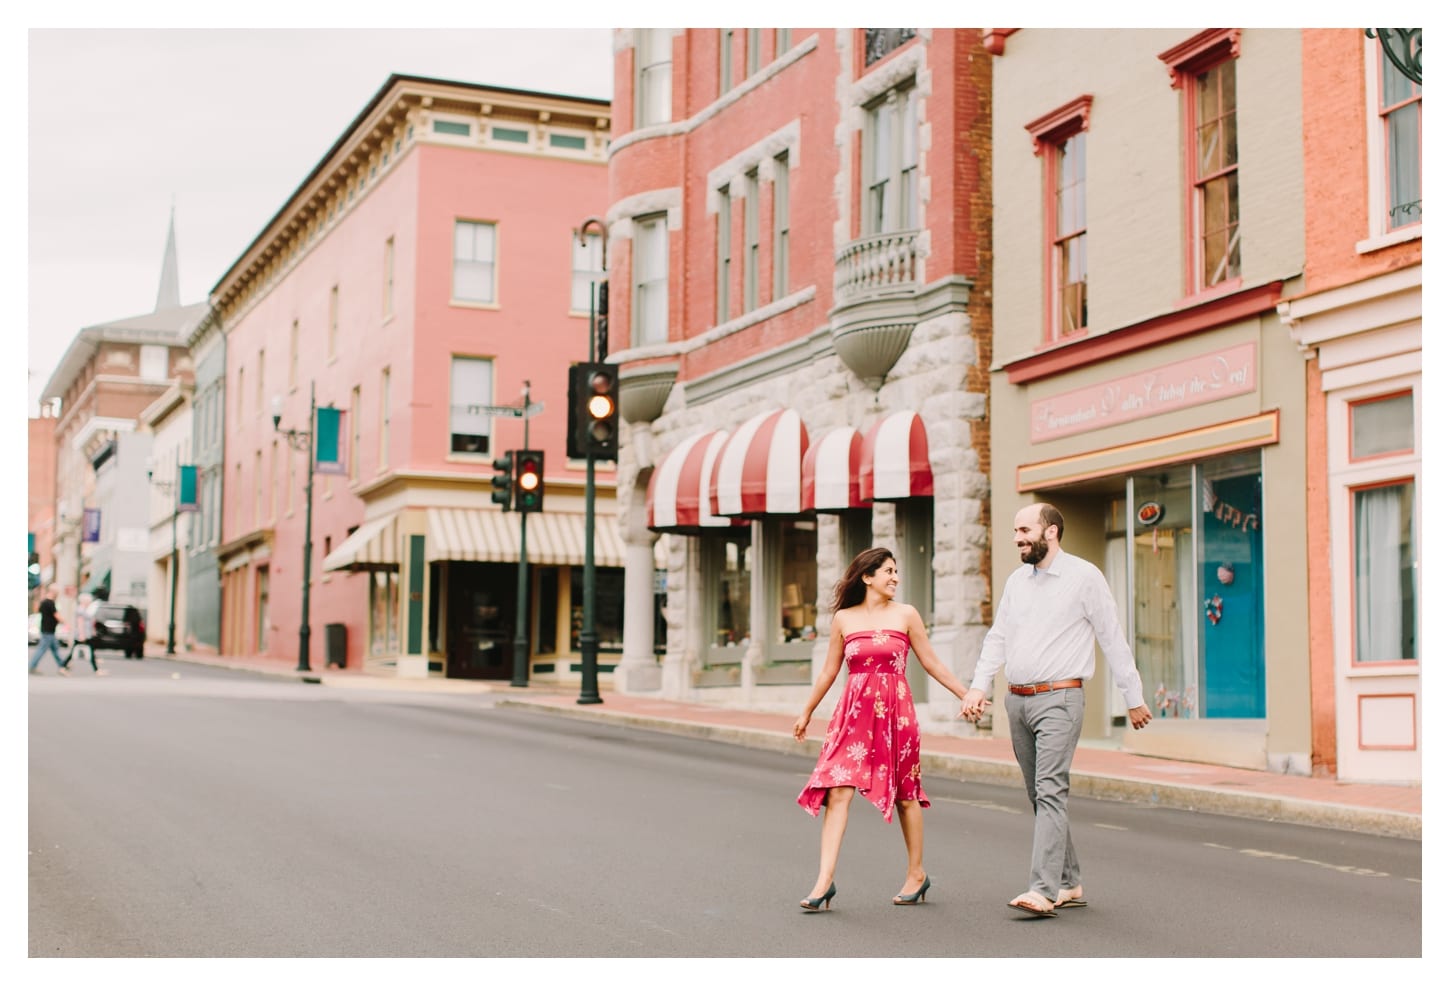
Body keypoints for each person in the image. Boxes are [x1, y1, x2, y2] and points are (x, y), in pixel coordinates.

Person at [961, 502, 1152, 916]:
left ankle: (1043, 889)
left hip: (1060, 700)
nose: (1017, 538)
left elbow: (1112, 637)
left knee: (1050, 789)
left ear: (1051, 532)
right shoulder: (1016, 581)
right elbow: (998, 638)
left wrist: (1132, 697)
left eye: (1025, 530)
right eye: (1015, 531)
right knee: (1038, 794)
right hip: (1017, 700)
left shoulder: (1085, 577)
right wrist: (978, 687)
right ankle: (1069, 882)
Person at [792, 547, 970, 911]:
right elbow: (829, 670)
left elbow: (932, 662)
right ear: (867, 577)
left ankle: (916, 873)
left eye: (896, 571)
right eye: (888, 571)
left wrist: (966, 694)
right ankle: (824, 881)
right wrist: (807, 711)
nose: (896, 578)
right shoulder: (844, 619)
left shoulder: (906, 615)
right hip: (853, 715)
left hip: (896, 714)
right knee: (836, 791)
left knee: (906, 794)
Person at [29, 586, 70, 676]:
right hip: (48, 630)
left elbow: (37, 611)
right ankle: (32, 666)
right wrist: (65, 623)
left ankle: (63, 664)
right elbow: (56, 615)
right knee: (42, 649)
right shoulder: (50, 603)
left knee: (55, 649)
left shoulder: (43, 602)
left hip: (47, 629)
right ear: (54, 592)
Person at [62, 594, 106, 676]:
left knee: (88, 651)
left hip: (85, 634)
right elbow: (80, 623)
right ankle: (64, 666)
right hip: (82, 635)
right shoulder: (80, 610)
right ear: (84, 601)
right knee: (81, 651)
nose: (89, 603)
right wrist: (82, 634)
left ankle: (64, 666)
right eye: (88, 601)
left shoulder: (83, 609)